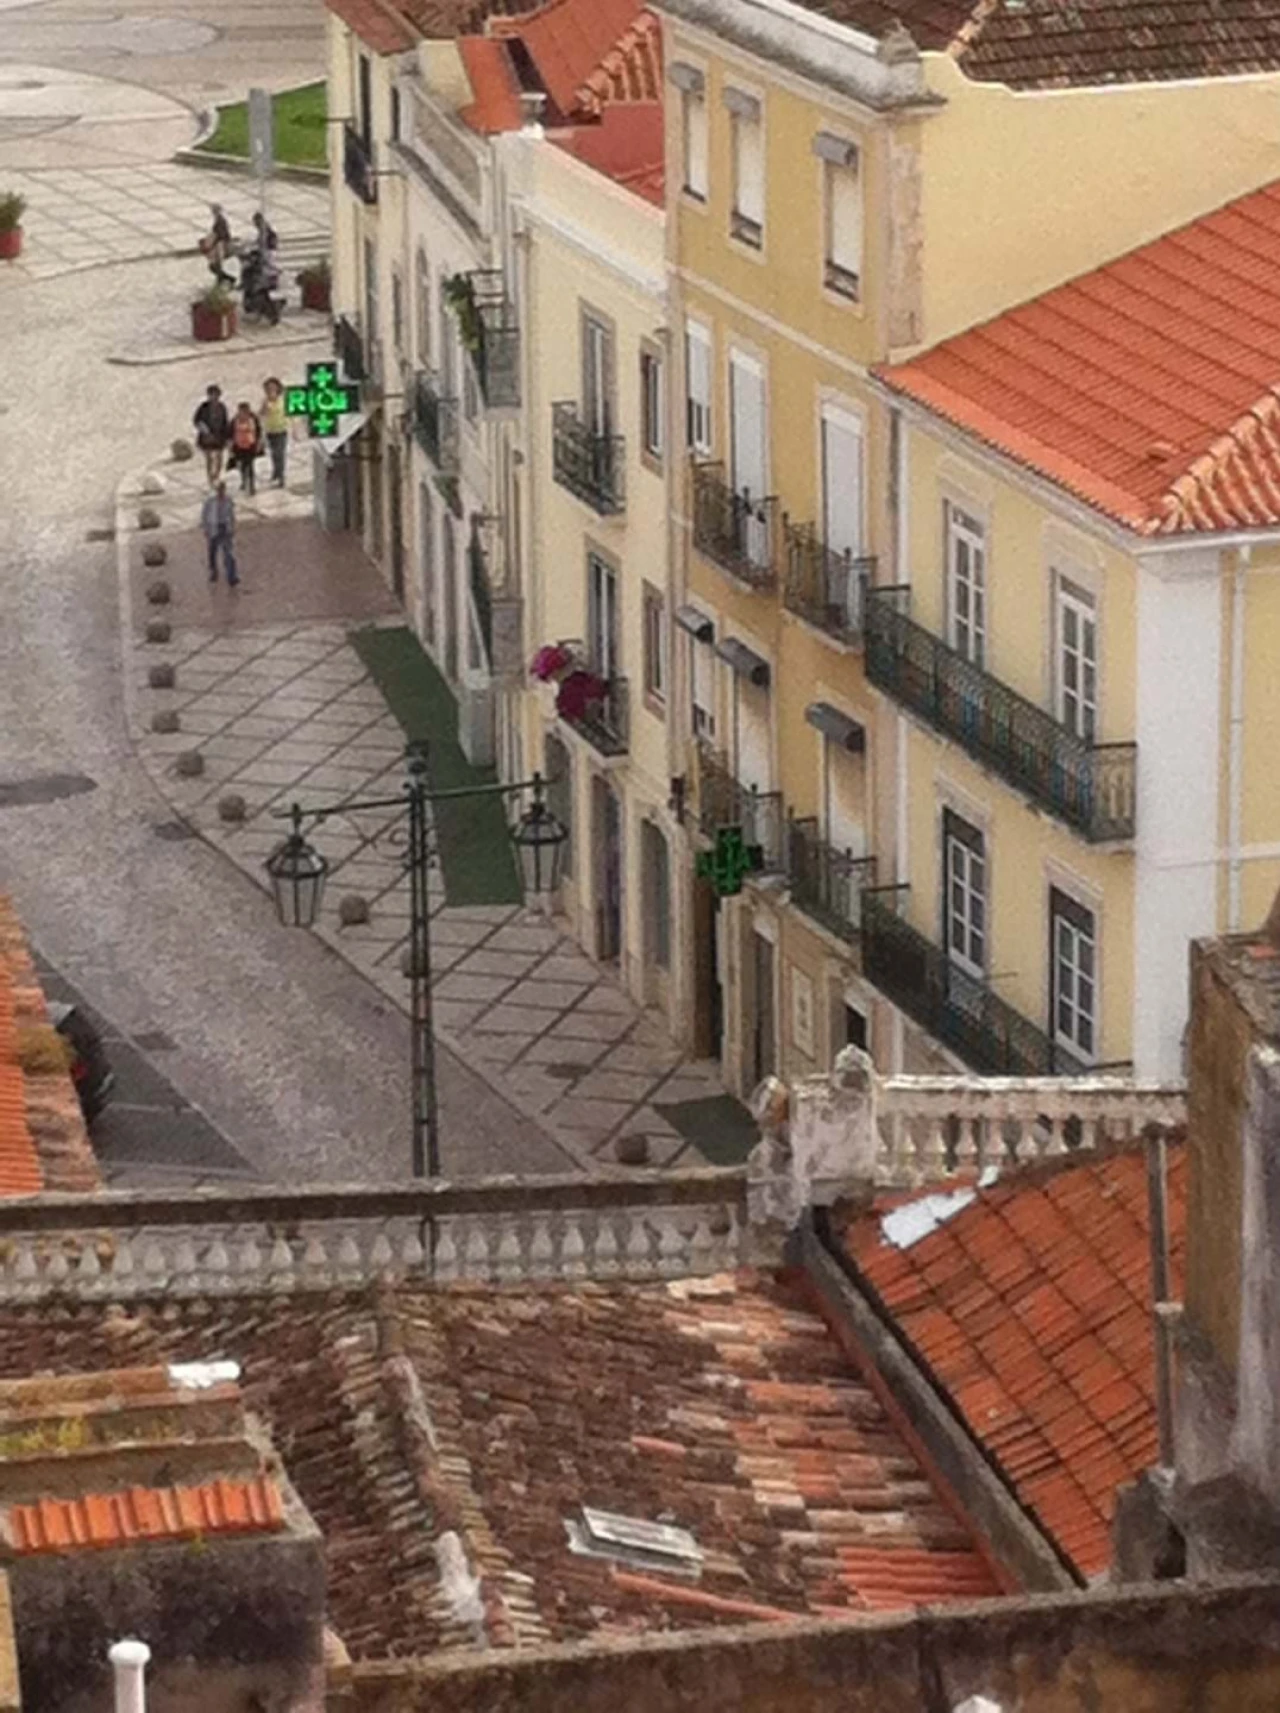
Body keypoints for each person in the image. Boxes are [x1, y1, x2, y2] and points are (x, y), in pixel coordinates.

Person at [201, 480, 239, 586]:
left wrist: (232, 527)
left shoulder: (228, 500)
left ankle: (232, 576)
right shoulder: (210, 500)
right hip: (214, 527)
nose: (220, 491)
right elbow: (204, 514)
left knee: (229, 553)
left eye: (222, 489)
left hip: (225, 528)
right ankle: (213, 572)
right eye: (219, 489)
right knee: (212, 552)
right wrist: (205, 528)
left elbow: (231, 514)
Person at [192, 383, 230, 484]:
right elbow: (197, 420)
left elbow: (225, 422)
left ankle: (216, 475)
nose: (213, 397)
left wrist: (228, 437)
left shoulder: (222, 407)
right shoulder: (203, 407)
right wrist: (205, 430)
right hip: (207, 437)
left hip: (219, 436)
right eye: (211, 394)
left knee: (219, 458)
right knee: (209, 458)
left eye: (216, 394)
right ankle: (210, 478)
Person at [228, 400, 262, 496]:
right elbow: (230, 434)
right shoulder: (234, 421)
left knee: (250, 466)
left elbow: (258, 431)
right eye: (241, 411)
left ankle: (251, 486)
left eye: (245, 412)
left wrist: (259, 443)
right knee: (242, 466)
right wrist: (230, 447)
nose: (243, 414)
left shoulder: (253, 419)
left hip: (250, 446)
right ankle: (244, 480)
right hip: (239, 447)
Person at [261, 377, 288, 488]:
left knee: (280, 453)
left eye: (273, 387)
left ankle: (280, 476)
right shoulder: (266, 401)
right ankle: (276, 473)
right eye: (268, 388)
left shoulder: (282, 400)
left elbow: (289, 414)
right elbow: (262, 414)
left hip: (281, 430)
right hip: (271, 431)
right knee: (274, 454)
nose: (271, 390)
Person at [203, 203, 233, 287]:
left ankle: (223, 280)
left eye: (214, 211)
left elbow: (221, 234)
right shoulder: (219, 220)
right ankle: (222, 280)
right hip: (220, 243)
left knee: (218, 264)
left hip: (221, 244)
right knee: (217, 264)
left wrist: (212, 243)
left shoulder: (220, 221)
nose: (213, 212)